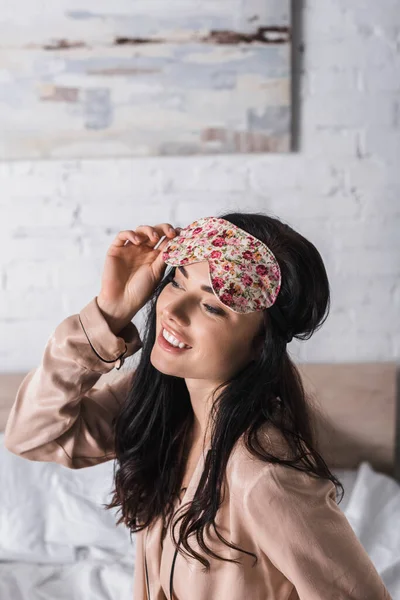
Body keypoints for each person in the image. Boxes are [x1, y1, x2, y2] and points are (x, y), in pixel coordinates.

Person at [4, 212, 392, 600]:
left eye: (212, 307)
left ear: (261, 344)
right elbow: (31, 436)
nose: (171, 310)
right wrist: (109, 313)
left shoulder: (263, 473)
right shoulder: (161, 403)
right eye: (176, 280)